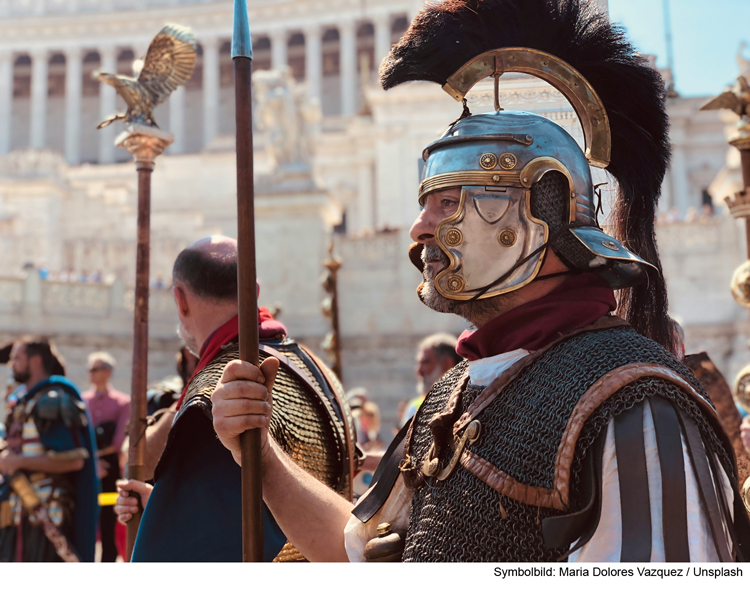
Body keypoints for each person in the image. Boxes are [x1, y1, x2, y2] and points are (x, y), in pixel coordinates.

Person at [211, 0, 750, 562]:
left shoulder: (636, 407)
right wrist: (262, 458)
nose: (420, 229)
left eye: (449, 203)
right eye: (425, 204)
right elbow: (360, 555)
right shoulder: (452, 397)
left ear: (541, 210)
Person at [114, 236, 355, 562]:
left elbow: (203, 552)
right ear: (254, 293)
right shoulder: (314, 367)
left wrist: (159, 521)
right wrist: (161, 505)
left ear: (180, 300)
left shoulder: (220, 391)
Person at [0, 337, 98, 562]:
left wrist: (17, 462)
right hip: (17, 515)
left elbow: (73, 461)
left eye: (17, 358)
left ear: (35, 361)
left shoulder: (51, 400)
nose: (11, 364)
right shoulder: (26, 402)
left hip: (45, 517)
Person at [81, 351, 129, 562]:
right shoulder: (82, 401)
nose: (90, 373)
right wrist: (93, 460)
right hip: (86, 464)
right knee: (84, 518)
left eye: (95, 369)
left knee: (108, 521)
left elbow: (119, 441)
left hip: (108, 469)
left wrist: (96, 458)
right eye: (89, 369)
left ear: (107, 372)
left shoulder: (122, 402)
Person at [400, 333, 462, 427]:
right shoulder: (415, 407)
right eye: (419, 363)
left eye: (425, 362)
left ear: (447, 364)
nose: (419, 371)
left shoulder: (468, 400)